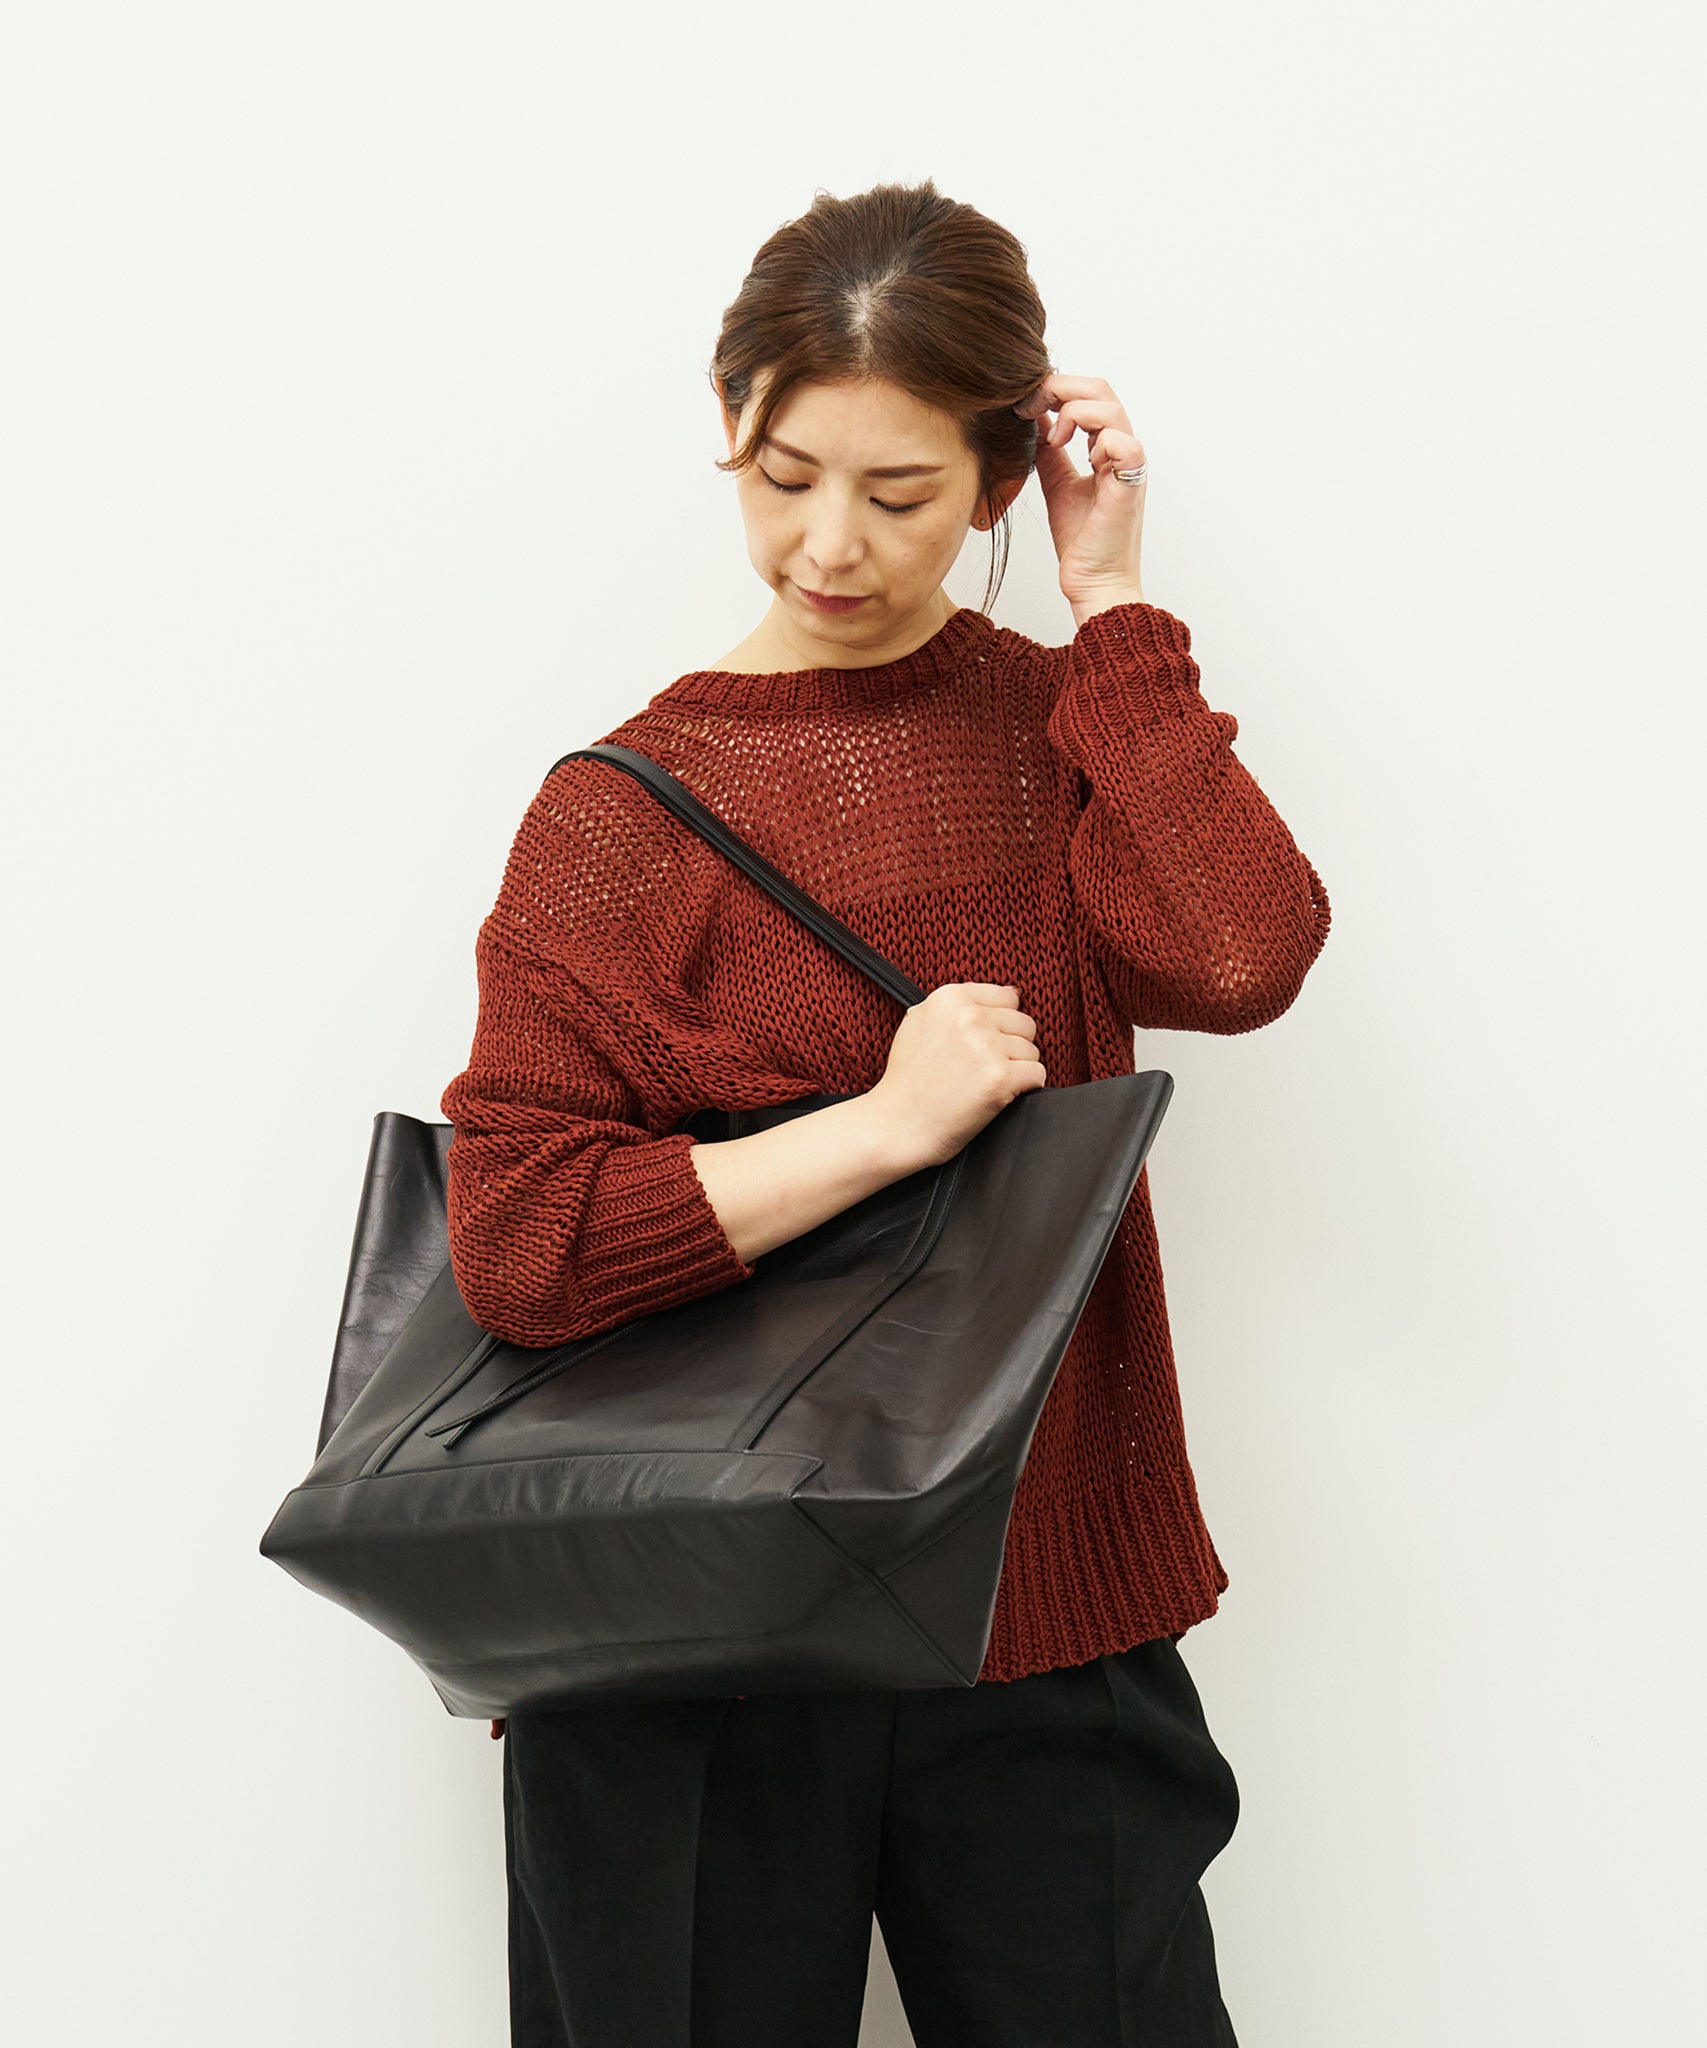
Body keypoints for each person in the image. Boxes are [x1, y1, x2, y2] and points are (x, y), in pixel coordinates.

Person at [439, 177, 1331, 2048]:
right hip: (685, 1640)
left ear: (1001, 480)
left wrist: (1113, 609)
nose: (827, 544)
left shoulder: (1058, 736)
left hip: (1041, 1609)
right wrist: (884, 1125)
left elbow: (1242, 953)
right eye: (783, 476)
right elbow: (522, 1245)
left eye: (901, 494)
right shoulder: (620, 812)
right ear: (731, 427)